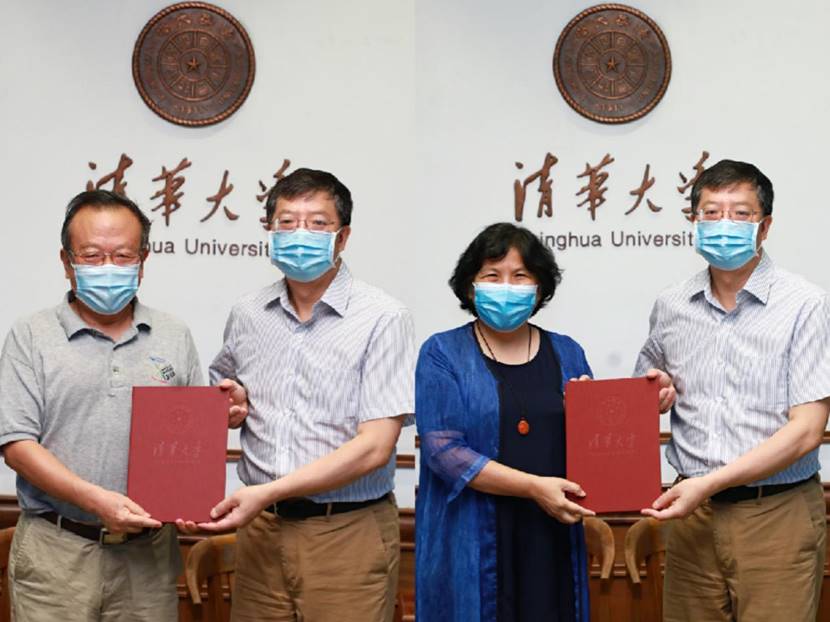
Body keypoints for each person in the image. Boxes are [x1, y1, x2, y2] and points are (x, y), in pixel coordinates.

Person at [0, 189, 244, 621]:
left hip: (147, 560)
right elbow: (17, 444)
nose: (108, 267)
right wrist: (96, 501)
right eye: (92, 256)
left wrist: (221, 417)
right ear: (66, 262)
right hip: (58, 554)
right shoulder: (31, 335)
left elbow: (189, 431)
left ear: (143, 261)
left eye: (123, 255)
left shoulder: (172, 334)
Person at [416, 222, 674, 622]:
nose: (506, 286)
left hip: (551, 528)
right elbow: (444, 452)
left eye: (520, 275)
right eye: (492, 275)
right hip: (471, 536)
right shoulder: (442, 352)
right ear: (470, 286)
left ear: (539, 288)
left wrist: (645, 405)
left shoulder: (567, 352)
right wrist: (534, 488)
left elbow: (596, 437)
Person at [197, 168, 416, 622]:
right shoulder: (248, 313)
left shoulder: (383, 317)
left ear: (343, 237)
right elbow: (233, 393)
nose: (300, 234)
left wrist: (266, 492)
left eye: (317, 223)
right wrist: (235, 402)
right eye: (287, 222)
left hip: (346, 532)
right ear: (270, 231)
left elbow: (375, 447)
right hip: (261, 532)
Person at [635, 159, 830, 621]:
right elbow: (648, 384)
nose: (724, 224)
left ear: (765, 226)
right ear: (694, 221)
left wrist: (709, 483)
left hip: (775, 515)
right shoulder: (672, 304)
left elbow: (807, 430)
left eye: (740, 213)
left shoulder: (804, 304)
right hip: (691, 519)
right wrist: (657, 390)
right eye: (711, 212)